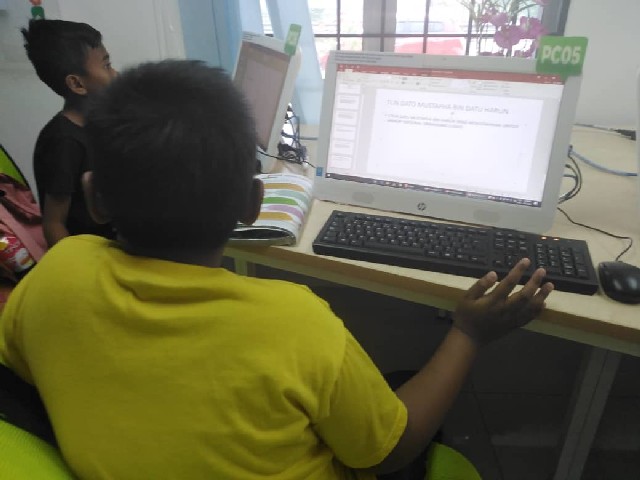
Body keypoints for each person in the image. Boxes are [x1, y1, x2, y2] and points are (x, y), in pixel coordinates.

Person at [0, 60, 553, 479]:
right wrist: (467, 332)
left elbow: (27, 377)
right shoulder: (296, 324)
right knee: (402, 393)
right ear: (252, 203)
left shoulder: (56, 272)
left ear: (94, 197)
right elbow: (388, 455)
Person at [21, 19, 117, 247]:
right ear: (77, 84)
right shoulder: (64, 142)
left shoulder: (99, 125)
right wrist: (75, 264)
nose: (115, 73)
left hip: (114, 246)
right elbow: (53, 224)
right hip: (89, 254)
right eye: (106, 65)